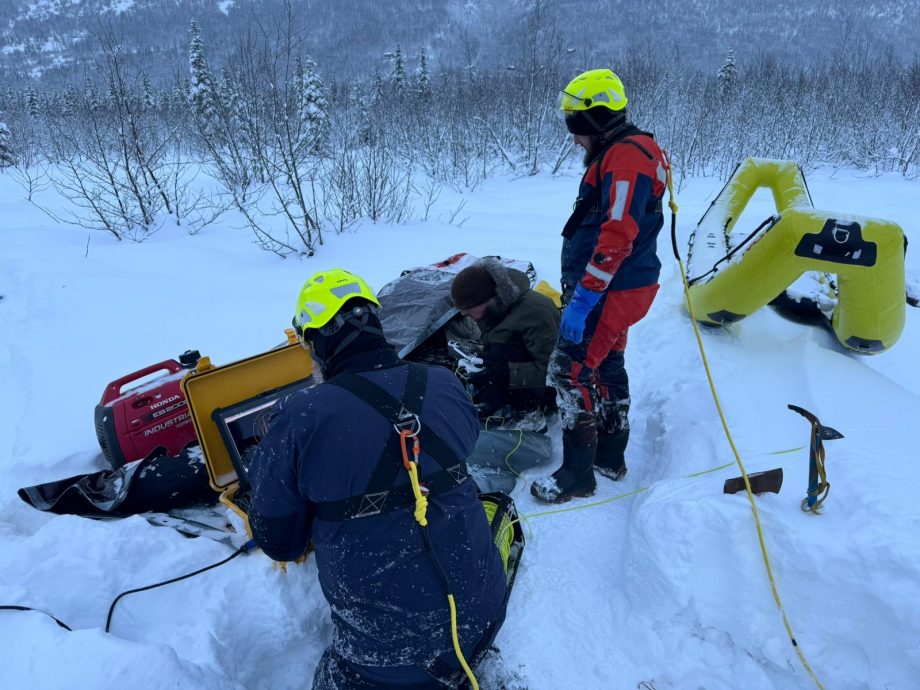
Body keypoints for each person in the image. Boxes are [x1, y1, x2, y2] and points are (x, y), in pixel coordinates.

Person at [246, 269, 508, 689]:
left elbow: (280, 543)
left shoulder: (301, 416)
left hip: (388, 655)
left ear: (316, 342)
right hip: (485, 614)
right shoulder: (444, 383)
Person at [530, 68, 669, 504]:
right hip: (619, 285)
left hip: (611, 288)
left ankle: (577, 475)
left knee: (568, 372)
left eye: (576, 126)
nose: (573, 138)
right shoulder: (626, 152)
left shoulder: (627, 157)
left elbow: (619, 233)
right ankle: (610, 456)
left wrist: (586, 296)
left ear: (598, 119)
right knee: (606, 363)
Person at [449, 258, 560, 429]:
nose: (464, 313)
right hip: (516, 372)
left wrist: (506, 375)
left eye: (468, 308)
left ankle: (531, 414)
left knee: (504, 352)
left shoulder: (535, 313)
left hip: (547, 387)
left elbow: (555, 372)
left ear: (487, 298)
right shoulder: (494, 308)